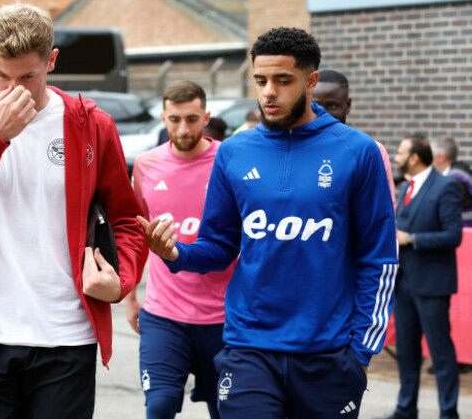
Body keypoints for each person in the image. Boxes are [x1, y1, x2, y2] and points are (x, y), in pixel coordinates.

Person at [139, 27, 398, 418]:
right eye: (260, 81)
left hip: (328, 355)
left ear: (310, 81)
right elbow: (221, 245)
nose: (268, 93)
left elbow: (379, 259)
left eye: (282, 80)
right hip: (248, 349)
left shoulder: (358, 152)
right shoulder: (236, 152)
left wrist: (360, 351)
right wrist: (177, 253)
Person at [0, 2, 145, 418]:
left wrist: (122, 279)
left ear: (51, 61)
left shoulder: (91, 124)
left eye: (27, 76)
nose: (13, 89)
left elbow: (127, 219)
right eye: (1, 75)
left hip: (66, 336)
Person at [126, 81, 234, 419]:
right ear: (162, 117)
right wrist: (131, 296)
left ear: (206, 117)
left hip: (224, 317)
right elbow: (139, 234)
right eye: (174, 119)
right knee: (158, 407)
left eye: (191, 118)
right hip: (164, 315)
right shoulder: (145, 165)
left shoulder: (229, 160)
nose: (183, 128)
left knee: (226, 411)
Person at [381, 135, 462, 419]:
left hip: (432, 284)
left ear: (415, 157)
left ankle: (448, 412)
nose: (397, 158)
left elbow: (453, 235)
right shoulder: (404, 189)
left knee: (440, 352)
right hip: (404, 285)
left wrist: (412, 238)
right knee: (406, 351)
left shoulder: (446, 186)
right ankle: (406, 408)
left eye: (401, 153)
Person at [311, 69, 396, 205]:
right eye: (316, 106)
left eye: (332, 106)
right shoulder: (293, 148)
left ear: (348, 105)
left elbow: (383, 211)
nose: (323, 114)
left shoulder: (370, 150)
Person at [431, 136, 472, 228]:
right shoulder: (461, 170)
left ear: (441, 157)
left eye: (431, 155)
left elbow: (446, 208)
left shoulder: (454, 180)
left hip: (464, 231)